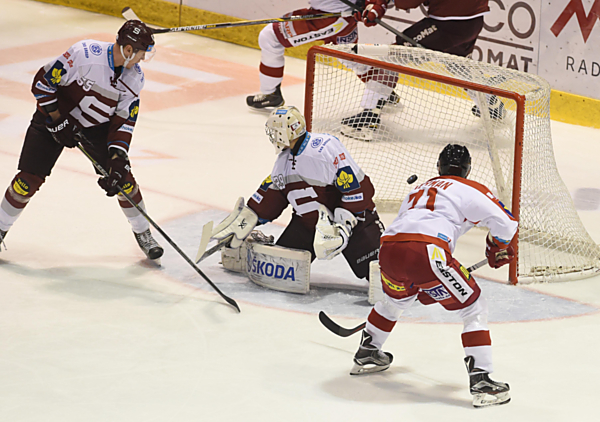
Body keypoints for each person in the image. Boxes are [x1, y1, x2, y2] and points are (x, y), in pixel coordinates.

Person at [0, 20, 164, 262]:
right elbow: (42, 83)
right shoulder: (84, 54)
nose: (141, 59)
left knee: (124, 182)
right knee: (27, 181)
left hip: (96, 129)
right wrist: (56, 118)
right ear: (128, 50)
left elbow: (124, 122)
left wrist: (118, 158)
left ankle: (144, 234)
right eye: (141, 53)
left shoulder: (135, 79)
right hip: (53, 117)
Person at [350, 144, 517, 408]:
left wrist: (423, 283)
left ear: (438, 168)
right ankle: (482, 381)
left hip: (389, 250)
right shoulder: (470, 187)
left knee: (395, 302)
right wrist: (496, 247)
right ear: (467, 170)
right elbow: (506, 224)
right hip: (427, 252)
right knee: (474, 307)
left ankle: (368, 351)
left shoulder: (418, 189)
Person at [212, 106, 384, 283]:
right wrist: (249, 216)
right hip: (308, 226)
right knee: (278, 270)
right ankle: (245, 250)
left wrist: (343, 226)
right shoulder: (282, 164)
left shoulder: (324, 147)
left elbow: (359, 188)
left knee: (385, 273)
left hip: (355, 223)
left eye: (274, 131)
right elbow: (273, 197)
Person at [341, 0, 505, 138]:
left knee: (393, 55)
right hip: (473, 21)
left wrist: (380, 4)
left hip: (446, 24)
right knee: (458, 64)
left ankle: (369, 117)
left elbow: (407, 2)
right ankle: (492, 105)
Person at [246, 0, 396, 110]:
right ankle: (383, 91)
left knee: (270, 37)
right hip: (338, 17)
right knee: (350, 59)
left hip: (329, 18)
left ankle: (271, 93)